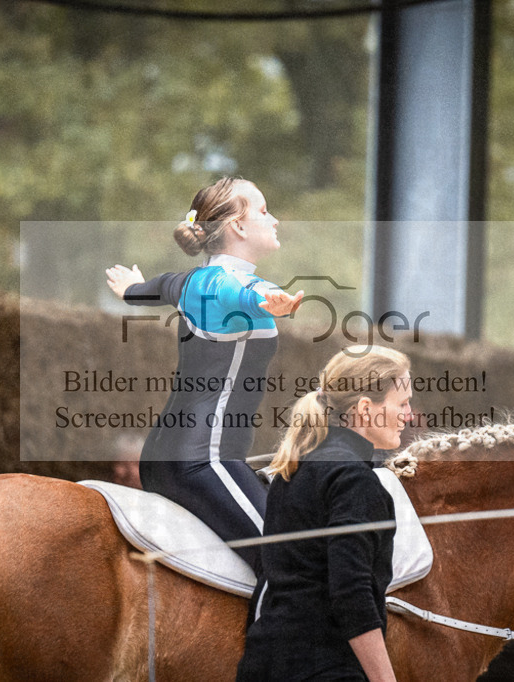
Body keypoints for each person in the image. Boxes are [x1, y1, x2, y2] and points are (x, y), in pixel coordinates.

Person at [106, 177, 303, 574]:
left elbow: (157, 287)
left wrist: (131, 290)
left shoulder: (190, 282)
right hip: (204, 460)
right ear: (238, 226)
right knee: (292, 564)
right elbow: (239, 294)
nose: (275, 220)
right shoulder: (231, 284)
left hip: (165, 458)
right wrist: (265, 301)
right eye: (264, 211)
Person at [236, 345, 412, 682]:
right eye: (402, 403)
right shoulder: (354, 480)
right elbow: (351, 596)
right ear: (365, 408)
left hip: (262, 665)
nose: (409, 415)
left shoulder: (295, 469)